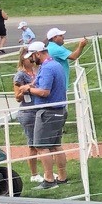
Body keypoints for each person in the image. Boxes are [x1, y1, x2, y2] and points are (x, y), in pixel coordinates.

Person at [16, 41, 70, 186]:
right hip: (59, 110)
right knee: (55, 145)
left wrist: (28, 89)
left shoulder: (46, 68)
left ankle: (49, 179)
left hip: (48, 112)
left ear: (38, 53)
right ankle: (62, 177)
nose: (32, 60)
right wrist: (31, 85)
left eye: (33, 56)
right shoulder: (56, 65)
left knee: (41, 146)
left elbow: (44, 92)